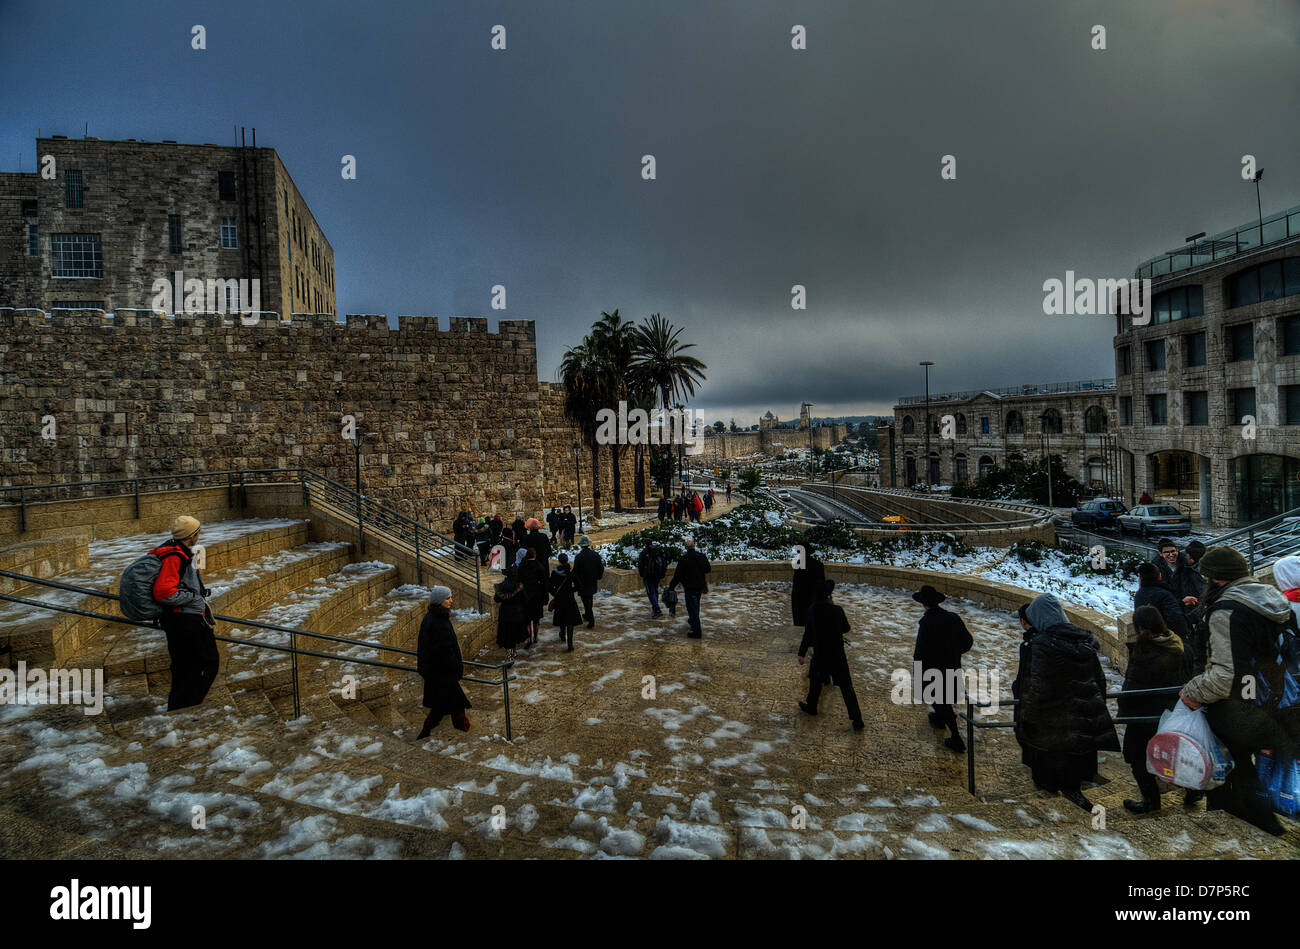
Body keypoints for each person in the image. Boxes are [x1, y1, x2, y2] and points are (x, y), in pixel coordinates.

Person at [1179, 546, 1298, 836]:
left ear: (1216, 580)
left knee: (1232, 768)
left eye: (1206, 578)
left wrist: (1191, 691)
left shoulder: (1227, 610)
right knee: (1243, 767)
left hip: (1238, 707)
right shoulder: (1273, 600)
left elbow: (1224, 675)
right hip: (1275, 701)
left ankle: (1251, 829)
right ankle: (1251, 825)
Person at [1015, 593, 1119, 811]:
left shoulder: (1042, 645)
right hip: (1082, 714)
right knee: (1074, 757)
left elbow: (1038, 688)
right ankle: (1074, 792)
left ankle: (1059, 794)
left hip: (1055, 718)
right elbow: (1099, 679)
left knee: (1052, 761)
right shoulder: (1082, 640)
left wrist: (1027, 719)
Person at [1119, 605, 1190, 814]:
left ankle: (1151, 801)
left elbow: (1131, 691)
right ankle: (1193, 790)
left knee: (1137, 758)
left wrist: (1124, 711)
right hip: (1174, 715)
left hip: (1144, 719)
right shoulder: (1180, 647)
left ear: (1139, 628)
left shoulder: (1143, 654)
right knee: (1177, 755)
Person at [152, 515, 219, 712]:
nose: (200, 536)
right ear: (192, 536)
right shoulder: (175, 556)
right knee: (207, 663)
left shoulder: (177, 551)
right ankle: (187, 706)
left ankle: (179, 708)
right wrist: (194, 597)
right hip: (184, 620)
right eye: (198, 532)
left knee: (184, 668)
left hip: (181, 619)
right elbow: (164, 592)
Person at [911, 584, 973, 753]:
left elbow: (920, 652)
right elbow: (967, 641)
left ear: (924, 604)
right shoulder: (952, 618)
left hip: (933, 669)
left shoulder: (926, 622)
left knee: (940, 701)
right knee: (944, 698)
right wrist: (954, 653)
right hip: (951, 666)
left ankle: (956, 738)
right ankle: (939, 718)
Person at [797, 580, 863, 730]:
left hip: (820, 654)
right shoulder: (837, 610)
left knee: (815, 681)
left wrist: (801, 653)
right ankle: (857, 719)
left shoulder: (813, 610)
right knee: (846, 688)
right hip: (837, 654)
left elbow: (808, 633)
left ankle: (812, 706)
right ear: (829, 595)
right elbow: (846, 628)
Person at [416, 585, 471, 738]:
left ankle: (426, 731)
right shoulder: (437, 623)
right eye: (448, 598)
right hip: (442, 673)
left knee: (441, 706)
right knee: (456, 702)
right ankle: (464, 734)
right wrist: (456, 669)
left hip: (438, 673)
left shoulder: (434, 618)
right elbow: (445, 652)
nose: (451, 601)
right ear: (439, 601)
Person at [666, 538, 711, 639]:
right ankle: (693, 622)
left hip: (690, 587)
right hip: (699, 586)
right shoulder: (701, 556)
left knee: (691, 608)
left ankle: (696, 631)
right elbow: (708, 569)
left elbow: (677, 575)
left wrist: (671, 587)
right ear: (694, 546)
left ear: (686, 548)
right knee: (695, 606)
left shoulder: (683, 559)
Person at [1133, 562, 1190, 640]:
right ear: (1160, 576)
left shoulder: (1139, 595)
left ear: (1140, 578)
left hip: (1148, 641)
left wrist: (1181, 603)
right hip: (1165, 641)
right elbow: (1176, 619)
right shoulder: (1165, 594)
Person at [1011, 604, 1037, 768]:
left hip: (1029, 698)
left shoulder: (1030, 644)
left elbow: (1025, 675)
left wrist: (1017, 688)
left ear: (1023, 621)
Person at [494, 565, 530, 660]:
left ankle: (509, 652)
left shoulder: (501, 586)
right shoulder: (519, 586)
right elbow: (525, 600)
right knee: (514, 633)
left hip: (504, 613)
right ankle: (513, 651)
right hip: (516, 613)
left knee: (506, 633)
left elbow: (496, 599)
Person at [549, 552, 583, 651]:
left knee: (562, 618)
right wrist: (571, 591)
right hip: (569, 598)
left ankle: (562, 635)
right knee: (570, 621)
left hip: (559, 598)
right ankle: (570, 644)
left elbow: (550, 585)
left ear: (559, 561)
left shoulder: (555, 572)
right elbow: (579, 586)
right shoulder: (571, 572)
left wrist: (555, 593)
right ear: (567, 560)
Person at [790, 541, 826, 628]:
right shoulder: (818, 564)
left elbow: (796, 583)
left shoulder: (798, 564)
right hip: (813, 596)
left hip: (801, 596)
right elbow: (822, 582)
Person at [518, 547, 549, 647]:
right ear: (535, 555)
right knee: (536, 619)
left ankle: (529, 638)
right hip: (537, 596)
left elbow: (519, 581)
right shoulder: (539, 566)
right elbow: (544, 583)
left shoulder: (522, 566)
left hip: (526, 596)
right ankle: (535, 637)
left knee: (527, 619)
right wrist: (545, 597)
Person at [573, 536, 605, 628]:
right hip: (592, 581)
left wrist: (576, 583)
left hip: (582, 582)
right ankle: (587, 615)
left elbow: (575, 571)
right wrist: (598, 577)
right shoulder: (595, 555)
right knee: (589, 598)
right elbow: (601, 568)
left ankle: (591, 619)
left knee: (586, 600)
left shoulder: (579, 557)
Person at [637, 538, 668, 618]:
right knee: (655, 590)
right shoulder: (658, 550)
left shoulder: (644, 552)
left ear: (645, 544)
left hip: (648, 576)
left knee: (651, 593)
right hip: (657, 575)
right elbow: (664, 561)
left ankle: (657, 609)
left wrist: (642, 574)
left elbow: (640, 565)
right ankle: (655, 607)